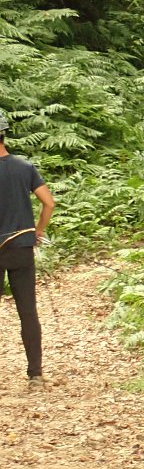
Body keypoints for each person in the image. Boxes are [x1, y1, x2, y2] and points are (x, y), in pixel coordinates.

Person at [0, 110, 56, 385]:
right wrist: (38, 230)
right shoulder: (24, 167)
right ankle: (35, 374)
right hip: (21, 247)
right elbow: (49, 203)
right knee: (28, 311)